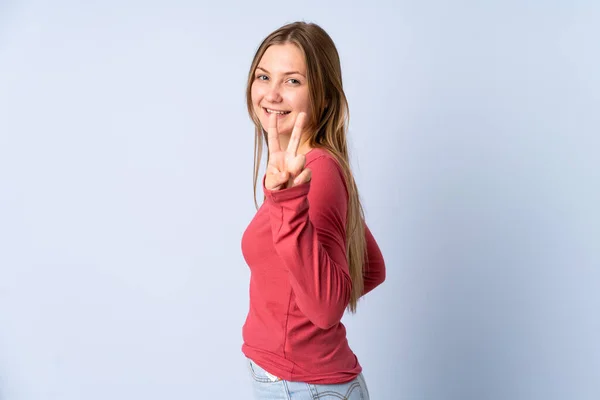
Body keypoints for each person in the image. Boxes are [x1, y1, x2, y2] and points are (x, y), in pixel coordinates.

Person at [240, 21, 386, 400]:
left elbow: (325, 310)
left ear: (322, 97)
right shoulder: (311, 166)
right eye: (263, 76)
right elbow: (369, 265)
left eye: (292, 81)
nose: (271, 94)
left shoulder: (315, 172)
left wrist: (289, 203)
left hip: (305, 387)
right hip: (302, 384)